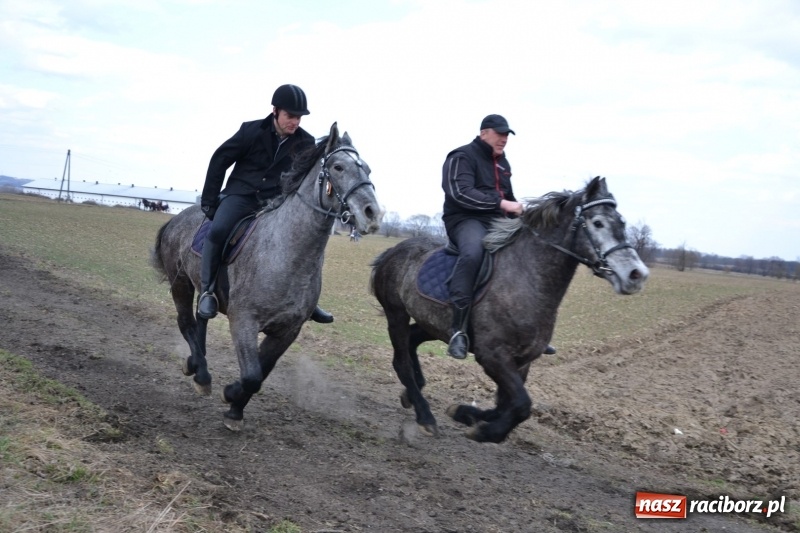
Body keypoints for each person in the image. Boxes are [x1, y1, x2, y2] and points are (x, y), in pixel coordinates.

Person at [197, 83, 334, 324]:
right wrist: (209, 201)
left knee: (305, 239)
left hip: (275, 202)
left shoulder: (306, 142)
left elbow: (311, 180)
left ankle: (308, 300)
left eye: (299, 118)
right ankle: (208, 291)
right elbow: (220, 160)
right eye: (290, 116)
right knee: (218, 231)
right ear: (275, 111)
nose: (295, 122)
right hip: (241, 196)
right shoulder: (250, 131)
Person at [441, 114, 556, 359]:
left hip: (497, 220)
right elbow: (460, 193)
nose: (504, 139)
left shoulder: (503, 163)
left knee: (533, 252)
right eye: (500, 133)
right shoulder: (461, 156)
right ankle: (458, 330)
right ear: (484, 133)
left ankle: (531, 331)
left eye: (507, 135)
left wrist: (527, 217)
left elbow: (510, 198)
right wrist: (502, 203)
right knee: (473, 253)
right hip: (464, 219)